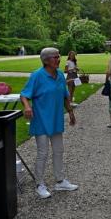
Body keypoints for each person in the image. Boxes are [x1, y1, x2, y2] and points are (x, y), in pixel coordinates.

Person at [20, 47, 78, 199]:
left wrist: (71, 112)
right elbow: (24, 95)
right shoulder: (37, 76)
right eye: (55, 57)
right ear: (46, 60)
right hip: (41, 121)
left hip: (56, 120)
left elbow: (65, 95)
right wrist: (27, 107)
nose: (58, 59)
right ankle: (39, 184)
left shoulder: (59, 74)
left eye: (59, 56)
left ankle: (60, 181)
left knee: (59, 151)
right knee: (42, 153)